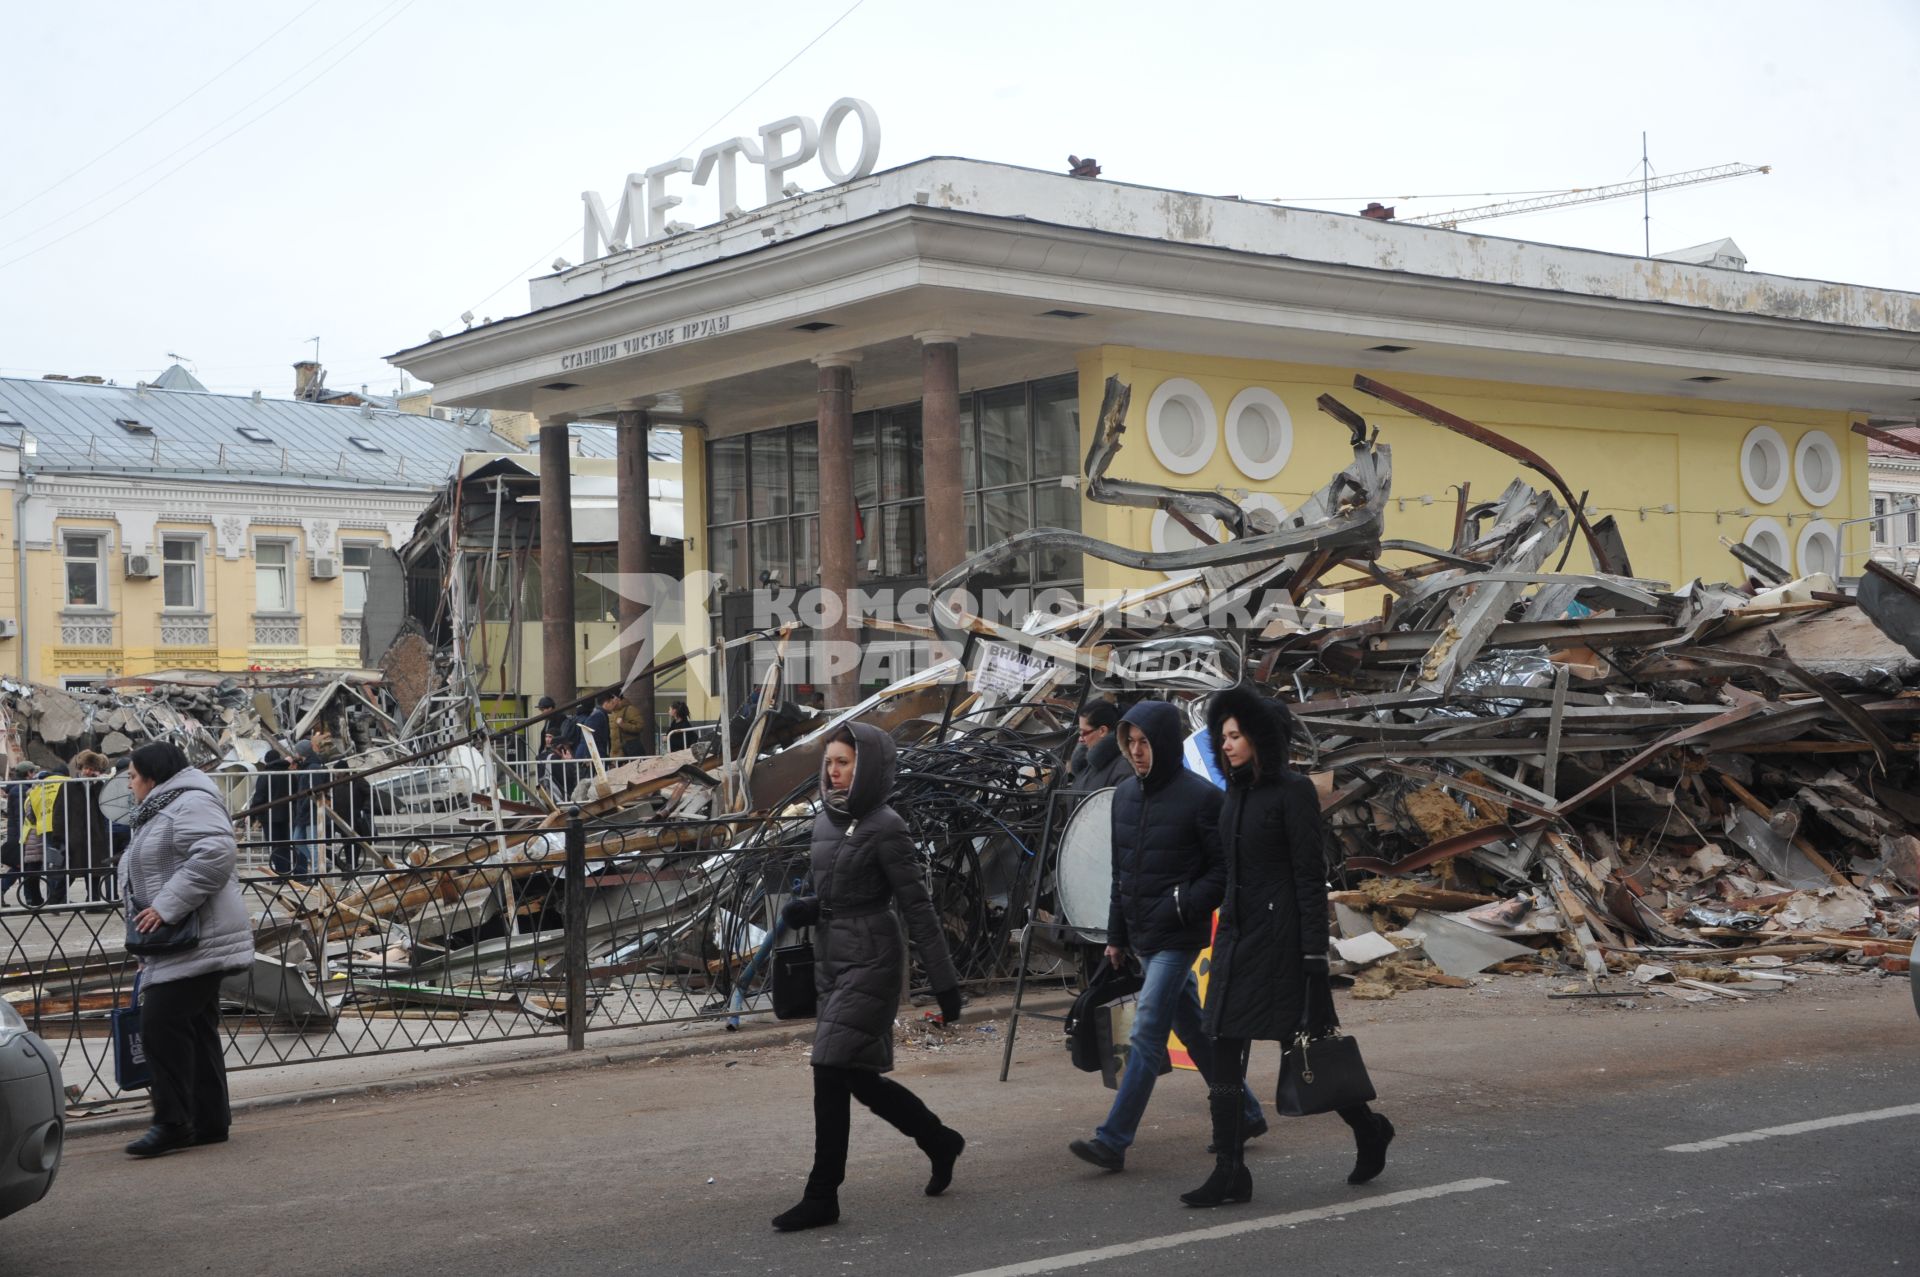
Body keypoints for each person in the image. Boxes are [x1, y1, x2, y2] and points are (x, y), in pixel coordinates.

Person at [1180, 686, 1393, 1207]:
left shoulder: (1293, 791)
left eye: (1235, 735)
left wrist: (1315, 958)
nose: (1225, 745)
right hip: (1235, 941)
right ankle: (1231, 1171)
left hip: (1281, 946)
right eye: (1221, 736)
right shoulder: (1233, 794)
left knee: (1306, 1049)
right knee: (1223, 1046)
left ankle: (1368, 1127)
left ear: (1260, 737)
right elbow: (1229, 875)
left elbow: (1307, 877)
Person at [770, 723, 966, 1233]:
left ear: (869, 769)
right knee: (856, 1076)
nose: (833, 772)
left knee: (828, 1065)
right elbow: (838, 892)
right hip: (832, 958)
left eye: (844, 763)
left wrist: (945, 984)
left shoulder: (887, 825)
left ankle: (822, 1195)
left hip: (874, 958)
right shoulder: (825, 821)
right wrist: (807, 909)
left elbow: (916, 906)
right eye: (829, 762)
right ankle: (939, 1140)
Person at [1068, 701, 1264, 1173]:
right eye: (1130, 743)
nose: (1137, 752)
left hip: (1178, 935)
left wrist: (1182, 904)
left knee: (1147, 1028)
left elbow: (1224, 871)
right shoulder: (1126, 797)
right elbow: (1122, 875)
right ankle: (1248, 1114)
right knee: (1193, 1028)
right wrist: (1116, 936)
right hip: (1141, 935)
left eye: (1145, 743)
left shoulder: (1201, 798)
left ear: (1165, 743)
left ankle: (1113, 1140)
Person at [119, 741, 252, 1157]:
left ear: (152, 777)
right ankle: (209, 1121)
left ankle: (173, 1121)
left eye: (133, 777)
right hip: (182, 940)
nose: (129, 784)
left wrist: (165, 906)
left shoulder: (189, 802)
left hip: (196, 936)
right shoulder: (166, 806)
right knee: (195, 1028)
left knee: (160, 1025)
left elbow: (216, 853)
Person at [54, 750, 114, 903]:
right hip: (75, 833)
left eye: (92, 768)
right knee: (72, 869)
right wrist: (58, 835)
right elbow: (59, 811)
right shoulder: (69, 785)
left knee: (94, 869)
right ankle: (55, 898)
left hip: (94, 833)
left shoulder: (98, 785)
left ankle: (93, 900)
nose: (88, 771)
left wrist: (97, 783)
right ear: (80, 767)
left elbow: (106, 805)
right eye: (86, 767)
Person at [248, 746, 314, 879]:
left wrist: (252, 815)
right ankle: (299, 874)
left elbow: (259, 797)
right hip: (290, 816)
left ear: (267, 761)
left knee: (276, 848)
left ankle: (282, 875)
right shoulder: (289, 774)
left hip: (270, 817)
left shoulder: (265, 775)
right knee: (292, 845)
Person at [21, 768, 65, 907]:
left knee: (48, 865)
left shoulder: (34, 793)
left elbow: (31, 815)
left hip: (39, 832)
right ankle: (51, 898)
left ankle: (43, 899)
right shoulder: (56, 788)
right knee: (52, 865)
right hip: (36, 835)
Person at [1065, 700, 1128, 794]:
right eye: (1080, 732)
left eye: (1084, 733)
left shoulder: (1123, 769)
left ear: (1102, 731)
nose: (1080, 740)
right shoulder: (1089, 764)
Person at [0, 761, 31, 907]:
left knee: (22, 866)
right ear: (28, 773)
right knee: (20, 866)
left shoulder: (18, 788)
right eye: (33, 772)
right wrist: (23, 838)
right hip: (20, 835)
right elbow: (21, 817)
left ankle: (28, 897)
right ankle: (27, 897)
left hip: (18, 833)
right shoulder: (20, 790)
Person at [607, 691, 649, 757]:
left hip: (628, 752)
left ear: (617, 699)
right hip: (616, 754)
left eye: (611, 700)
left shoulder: (630, 709)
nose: (609, 703)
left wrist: (623, 724)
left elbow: (640, 726)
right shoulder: (612, 713)